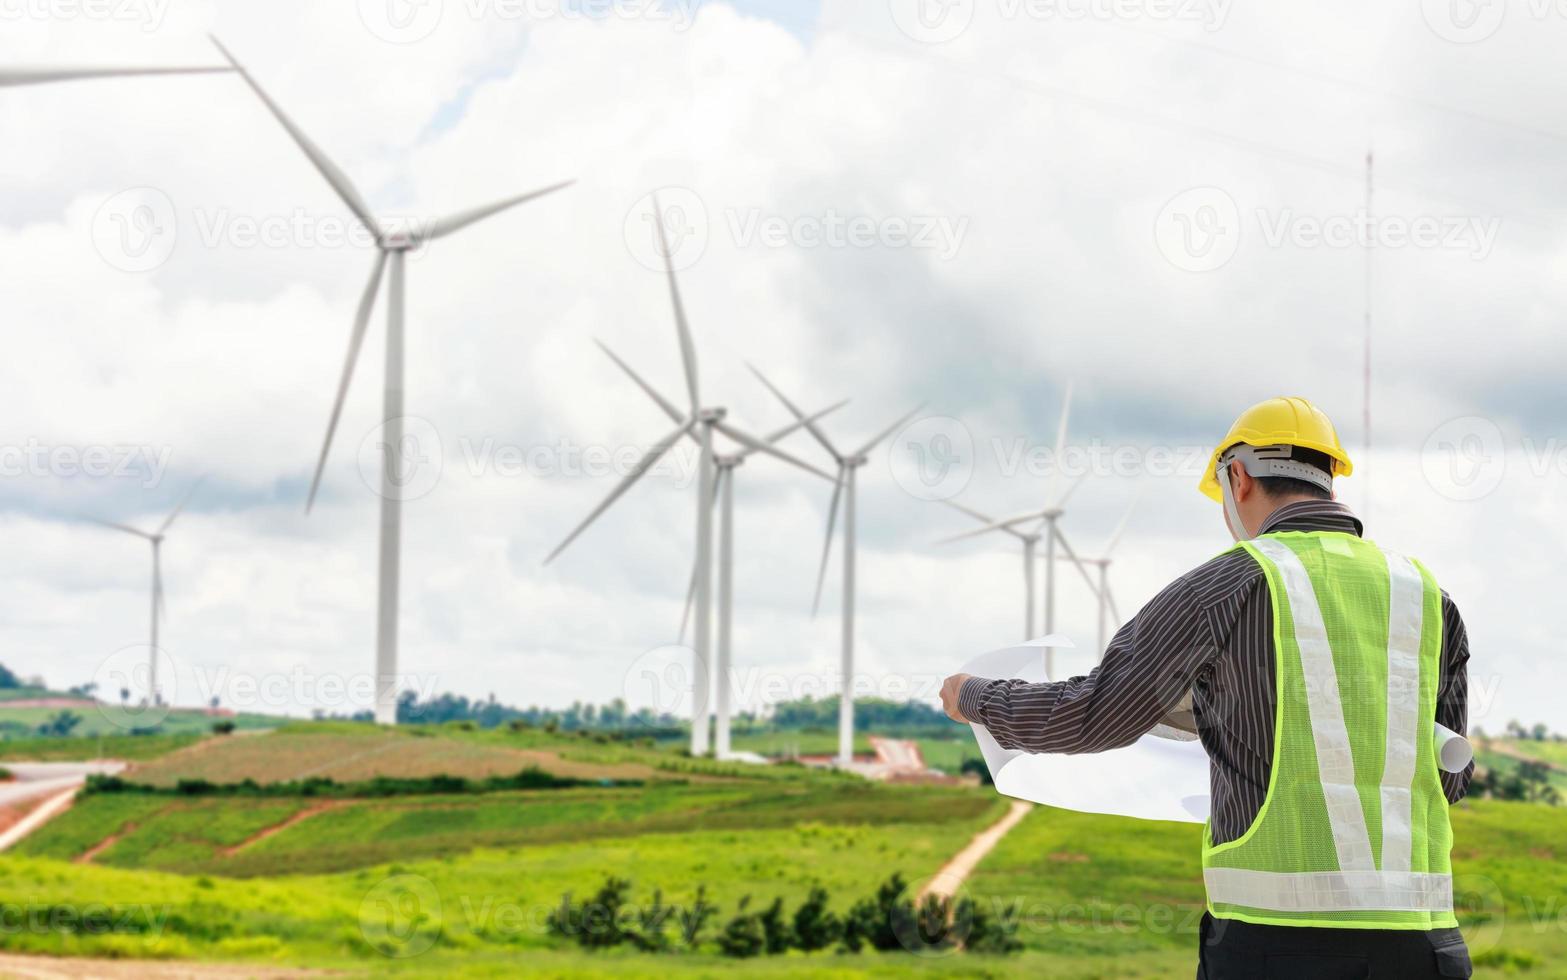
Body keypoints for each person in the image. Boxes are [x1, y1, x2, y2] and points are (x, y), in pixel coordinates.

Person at [940, 396, 1473, 979]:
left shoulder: (1225, 587)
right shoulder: (1427, 597)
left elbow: (1092, 714)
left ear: (1237, 477)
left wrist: (975, 695)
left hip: (1277, 948)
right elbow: (1450, 776)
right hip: (1426, 947)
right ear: (1329, 478)